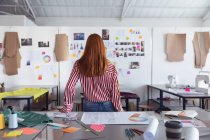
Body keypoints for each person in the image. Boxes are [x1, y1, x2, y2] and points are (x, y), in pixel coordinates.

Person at [61, 34, 123, 112]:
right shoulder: (110, 66)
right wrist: (119, 109)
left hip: (90, 105)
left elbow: (69, 86)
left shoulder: (79, 64)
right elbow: (115, 91)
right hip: (108, 106)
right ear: (102, 47)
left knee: (91, 125)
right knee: (108, 125)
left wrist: (68, 107)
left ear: (87, 47)